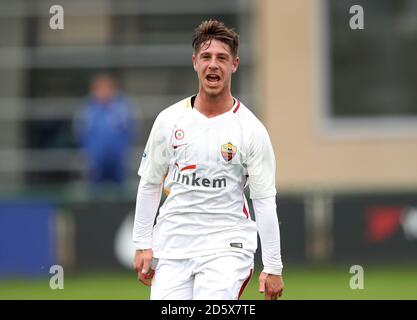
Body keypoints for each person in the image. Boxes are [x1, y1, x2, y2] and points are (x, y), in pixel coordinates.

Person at [132, 20, 284, 300]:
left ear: (234, 64)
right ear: (195, 62)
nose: (213, 65)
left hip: (227, 246)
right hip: (174, 244)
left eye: (222, 58)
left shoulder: (251, 129)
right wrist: (142, 244)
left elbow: (263, 200)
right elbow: (150, 183)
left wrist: (273, 265)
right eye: (206, 57)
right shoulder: (169, 121)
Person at [76, 73, 136, 188]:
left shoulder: (122, 107)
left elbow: (132, 129)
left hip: (118, 160)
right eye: (100, 88)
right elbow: (80, 132)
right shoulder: (87, 109)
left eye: (107, 88)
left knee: (120, 191)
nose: (104, 92)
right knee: (94, 190)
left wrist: (123, 150)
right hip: (95, 161)